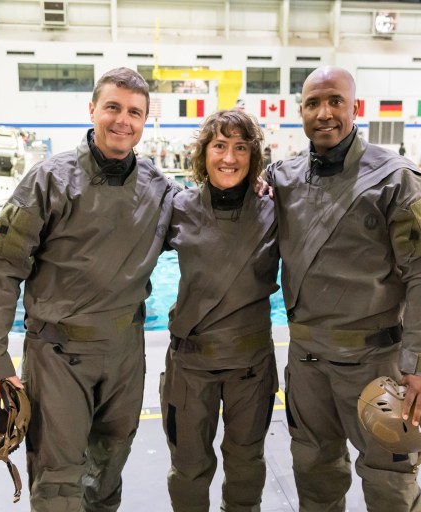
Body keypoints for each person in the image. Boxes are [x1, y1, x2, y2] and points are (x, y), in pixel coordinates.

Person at [0, 67, 177, 511]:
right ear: (92, 110)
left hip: (124, 353)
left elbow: (204, 225)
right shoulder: (48, 181)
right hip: (58, 357)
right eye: (113, 108)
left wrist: (256, 186)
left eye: (134, 112)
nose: (123, 120)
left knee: (108, 466)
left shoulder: (159, 190)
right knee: (58, 478)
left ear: (145, 121)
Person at [266, 66, 421, 511]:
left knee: (389, 482)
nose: (324, 113)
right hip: (307, 364)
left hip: (373, 364)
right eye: (313, 103)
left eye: (335, 101)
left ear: (355, 108)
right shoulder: (284, 179)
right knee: (314, 474)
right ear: (302, 111)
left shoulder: (396, 180)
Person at [160, 110, 279, 511]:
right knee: (189, 468)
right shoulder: (177, 207)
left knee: (246, 466)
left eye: (241, 147)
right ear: (203, 153)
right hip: (190, 365)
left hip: (251, 366)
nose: (230, 157)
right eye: (220, 146)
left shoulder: (276, 210)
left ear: (254, 156)